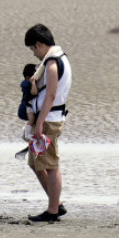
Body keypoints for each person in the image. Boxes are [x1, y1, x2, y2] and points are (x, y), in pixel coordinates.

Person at [24, 24, 72, 223]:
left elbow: (51, 95)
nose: (34, 54)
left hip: (50, 120)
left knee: (51, 165)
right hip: (49, 118)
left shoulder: (52, 63)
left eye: (33, 49)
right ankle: (56, 203)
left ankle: (53, 210)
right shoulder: (59, 59)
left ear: (40, 44)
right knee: (35, 163)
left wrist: (40, 122)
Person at [14, 62, 38, 158]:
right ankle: (28, 134)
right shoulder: (28, 84)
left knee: (32, 121)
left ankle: (29, 138)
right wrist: (33, 83)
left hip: (30, 106)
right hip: (29, 107)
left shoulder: (26, 83)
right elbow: (34, 92)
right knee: (31, 120)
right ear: (28, 77)